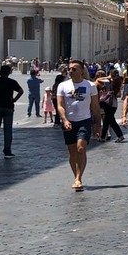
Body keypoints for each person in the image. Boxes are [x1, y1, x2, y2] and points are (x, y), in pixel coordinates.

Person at [56, 60, 102, 188]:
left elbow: (95, 107)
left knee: (81, 148)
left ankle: (79, 178)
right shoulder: (63, 86)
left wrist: (98, 125)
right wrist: (64, 120)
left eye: (74, 69)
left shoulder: (90, 86)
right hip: (69, 121)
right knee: (72, 152)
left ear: (82, 71)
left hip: (84, 121)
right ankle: (75, 175)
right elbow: (60, 105)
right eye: (69, 69)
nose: (71, 71)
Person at [0, 64, 24, 158]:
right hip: (8, 107)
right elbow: (21, 91)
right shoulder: (12, 82)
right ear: (9, 72)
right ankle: (7, 151)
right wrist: (14, 99)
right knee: (8, 130)